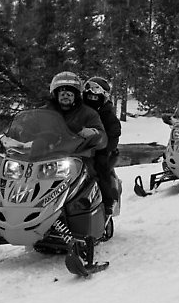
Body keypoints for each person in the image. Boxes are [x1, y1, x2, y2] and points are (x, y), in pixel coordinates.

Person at [45, 71, 107, 160]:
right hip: (46, 155)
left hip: (76, 157)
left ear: (76, 96)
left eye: (69, 94)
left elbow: (103, 139)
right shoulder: (46, 111)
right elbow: (32, 125)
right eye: (62, 94)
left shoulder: (88, 113)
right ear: (56, 95)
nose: (65, 97)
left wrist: (94, 133)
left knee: (94, 170)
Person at [82, 76, 122, 215]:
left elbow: (114, 133)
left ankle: (107, 202)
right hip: (76, 148)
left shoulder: (107, 114)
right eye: (89, 96)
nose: (91, 99)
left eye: (95, 97)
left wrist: (103, 147)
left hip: (100, 150)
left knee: (99, 168)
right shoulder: (78, 110)